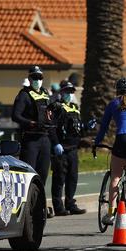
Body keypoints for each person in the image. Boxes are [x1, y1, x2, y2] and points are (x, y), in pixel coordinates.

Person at [94, 77, 126, 225]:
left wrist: (96, 143)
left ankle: (111, 214)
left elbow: (104, 126)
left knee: (115, 177)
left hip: (123, 137)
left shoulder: (113, 104)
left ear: (117, 90)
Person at [12, 66, 60, 187]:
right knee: (29, 174)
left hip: (45, 139)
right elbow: (15, 116)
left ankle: (39, 203)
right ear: (29, 78)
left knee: (43, 173)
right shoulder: (24, 95)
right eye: (34, 77)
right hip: (31, 139)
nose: (37, 80)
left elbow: (50, 117)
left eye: (39, 78)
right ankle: (28, 202)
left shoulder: (45, 94)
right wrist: (30, 123)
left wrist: (55, 142)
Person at [50, 81, 86, 216]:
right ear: (61, 93)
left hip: (73, 149)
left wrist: (86, 127)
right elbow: (52, 128)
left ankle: (70, 204)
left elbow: (77, 127)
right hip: (61, 149)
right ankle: (58, 207)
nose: (69, 94)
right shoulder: (57, 107)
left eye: (71, 92)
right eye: (66, 92)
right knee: (59, 178)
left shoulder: (75, 107)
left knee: (72, 178)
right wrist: (55, 144)